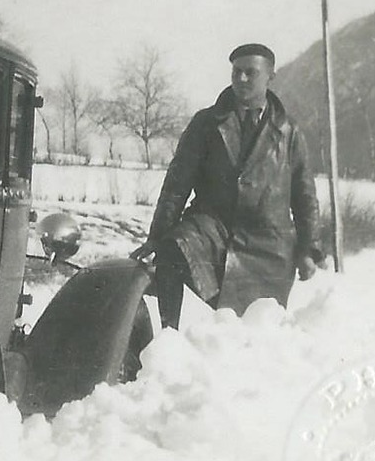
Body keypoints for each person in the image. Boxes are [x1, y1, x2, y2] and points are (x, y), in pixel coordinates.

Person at [130, 43, 323, 329]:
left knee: (256, 329)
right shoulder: (206, 123)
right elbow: (176, 184)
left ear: (270, 76)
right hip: (214, 230)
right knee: (172, 248)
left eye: (250, 73)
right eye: (236, 72)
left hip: (269, 244)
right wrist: (157, 236)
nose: (241, 79)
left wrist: (308, 249)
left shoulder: (288, 132)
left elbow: (305, 195)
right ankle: (168, 335)